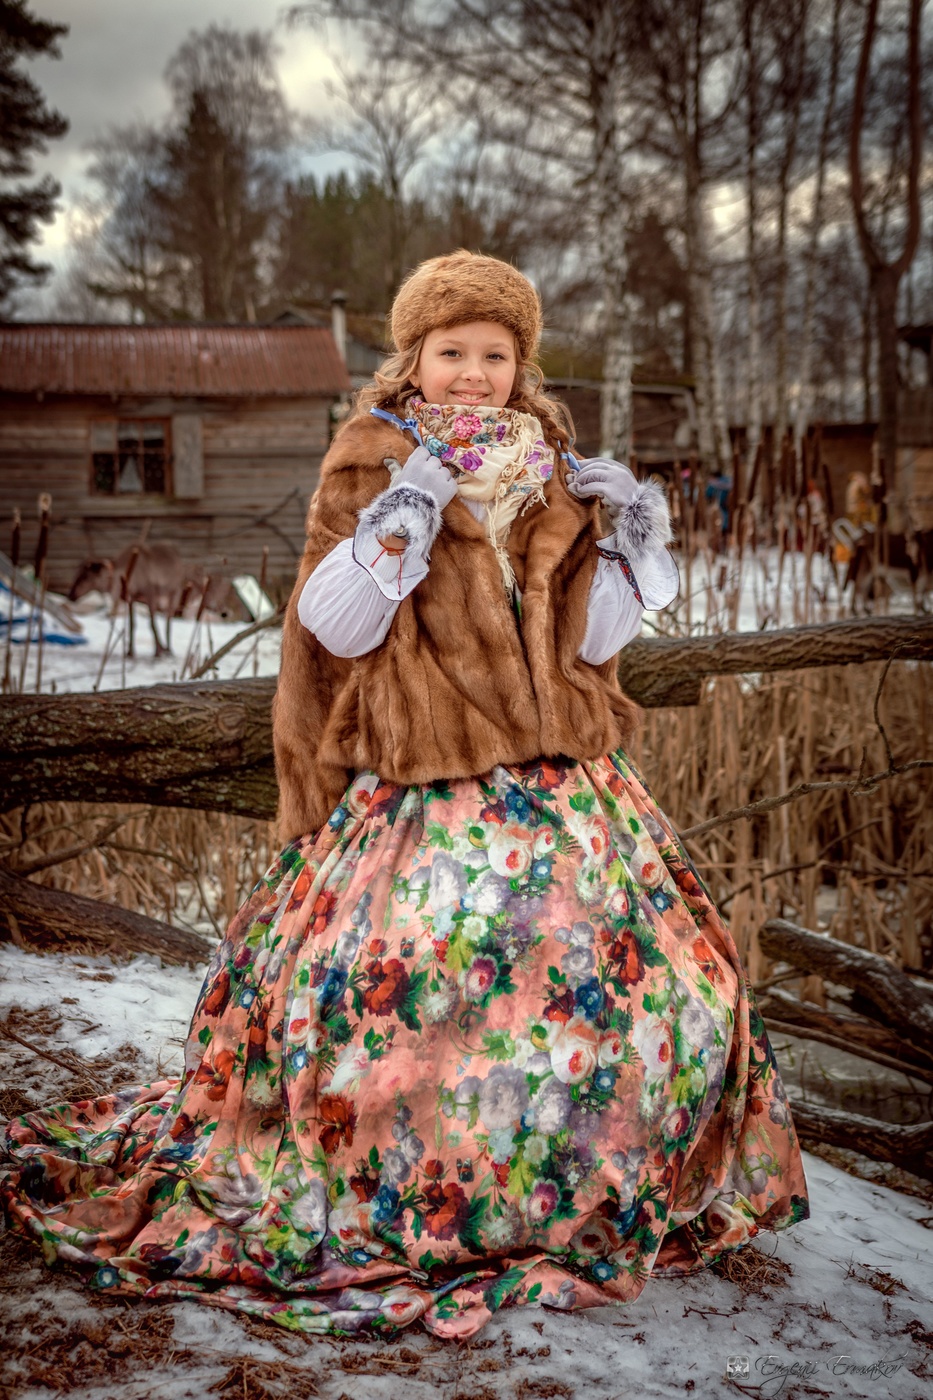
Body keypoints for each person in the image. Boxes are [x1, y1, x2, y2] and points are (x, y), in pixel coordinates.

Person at [2, 251, 808, 1341]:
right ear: (415, 359)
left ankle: (578, 1182)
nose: (472, 374)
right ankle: (433, 1192)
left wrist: (630, 540)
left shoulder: (557, 473)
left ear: (519, 366)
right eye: (452, 352)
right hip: (422, 795)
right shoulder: (371, 461)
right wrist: (405, 515)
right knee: (405, 1001)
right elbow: (332, 629)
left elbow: (594, 648)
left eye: (494, 353)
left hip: (570, 788)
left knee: (654, 989)